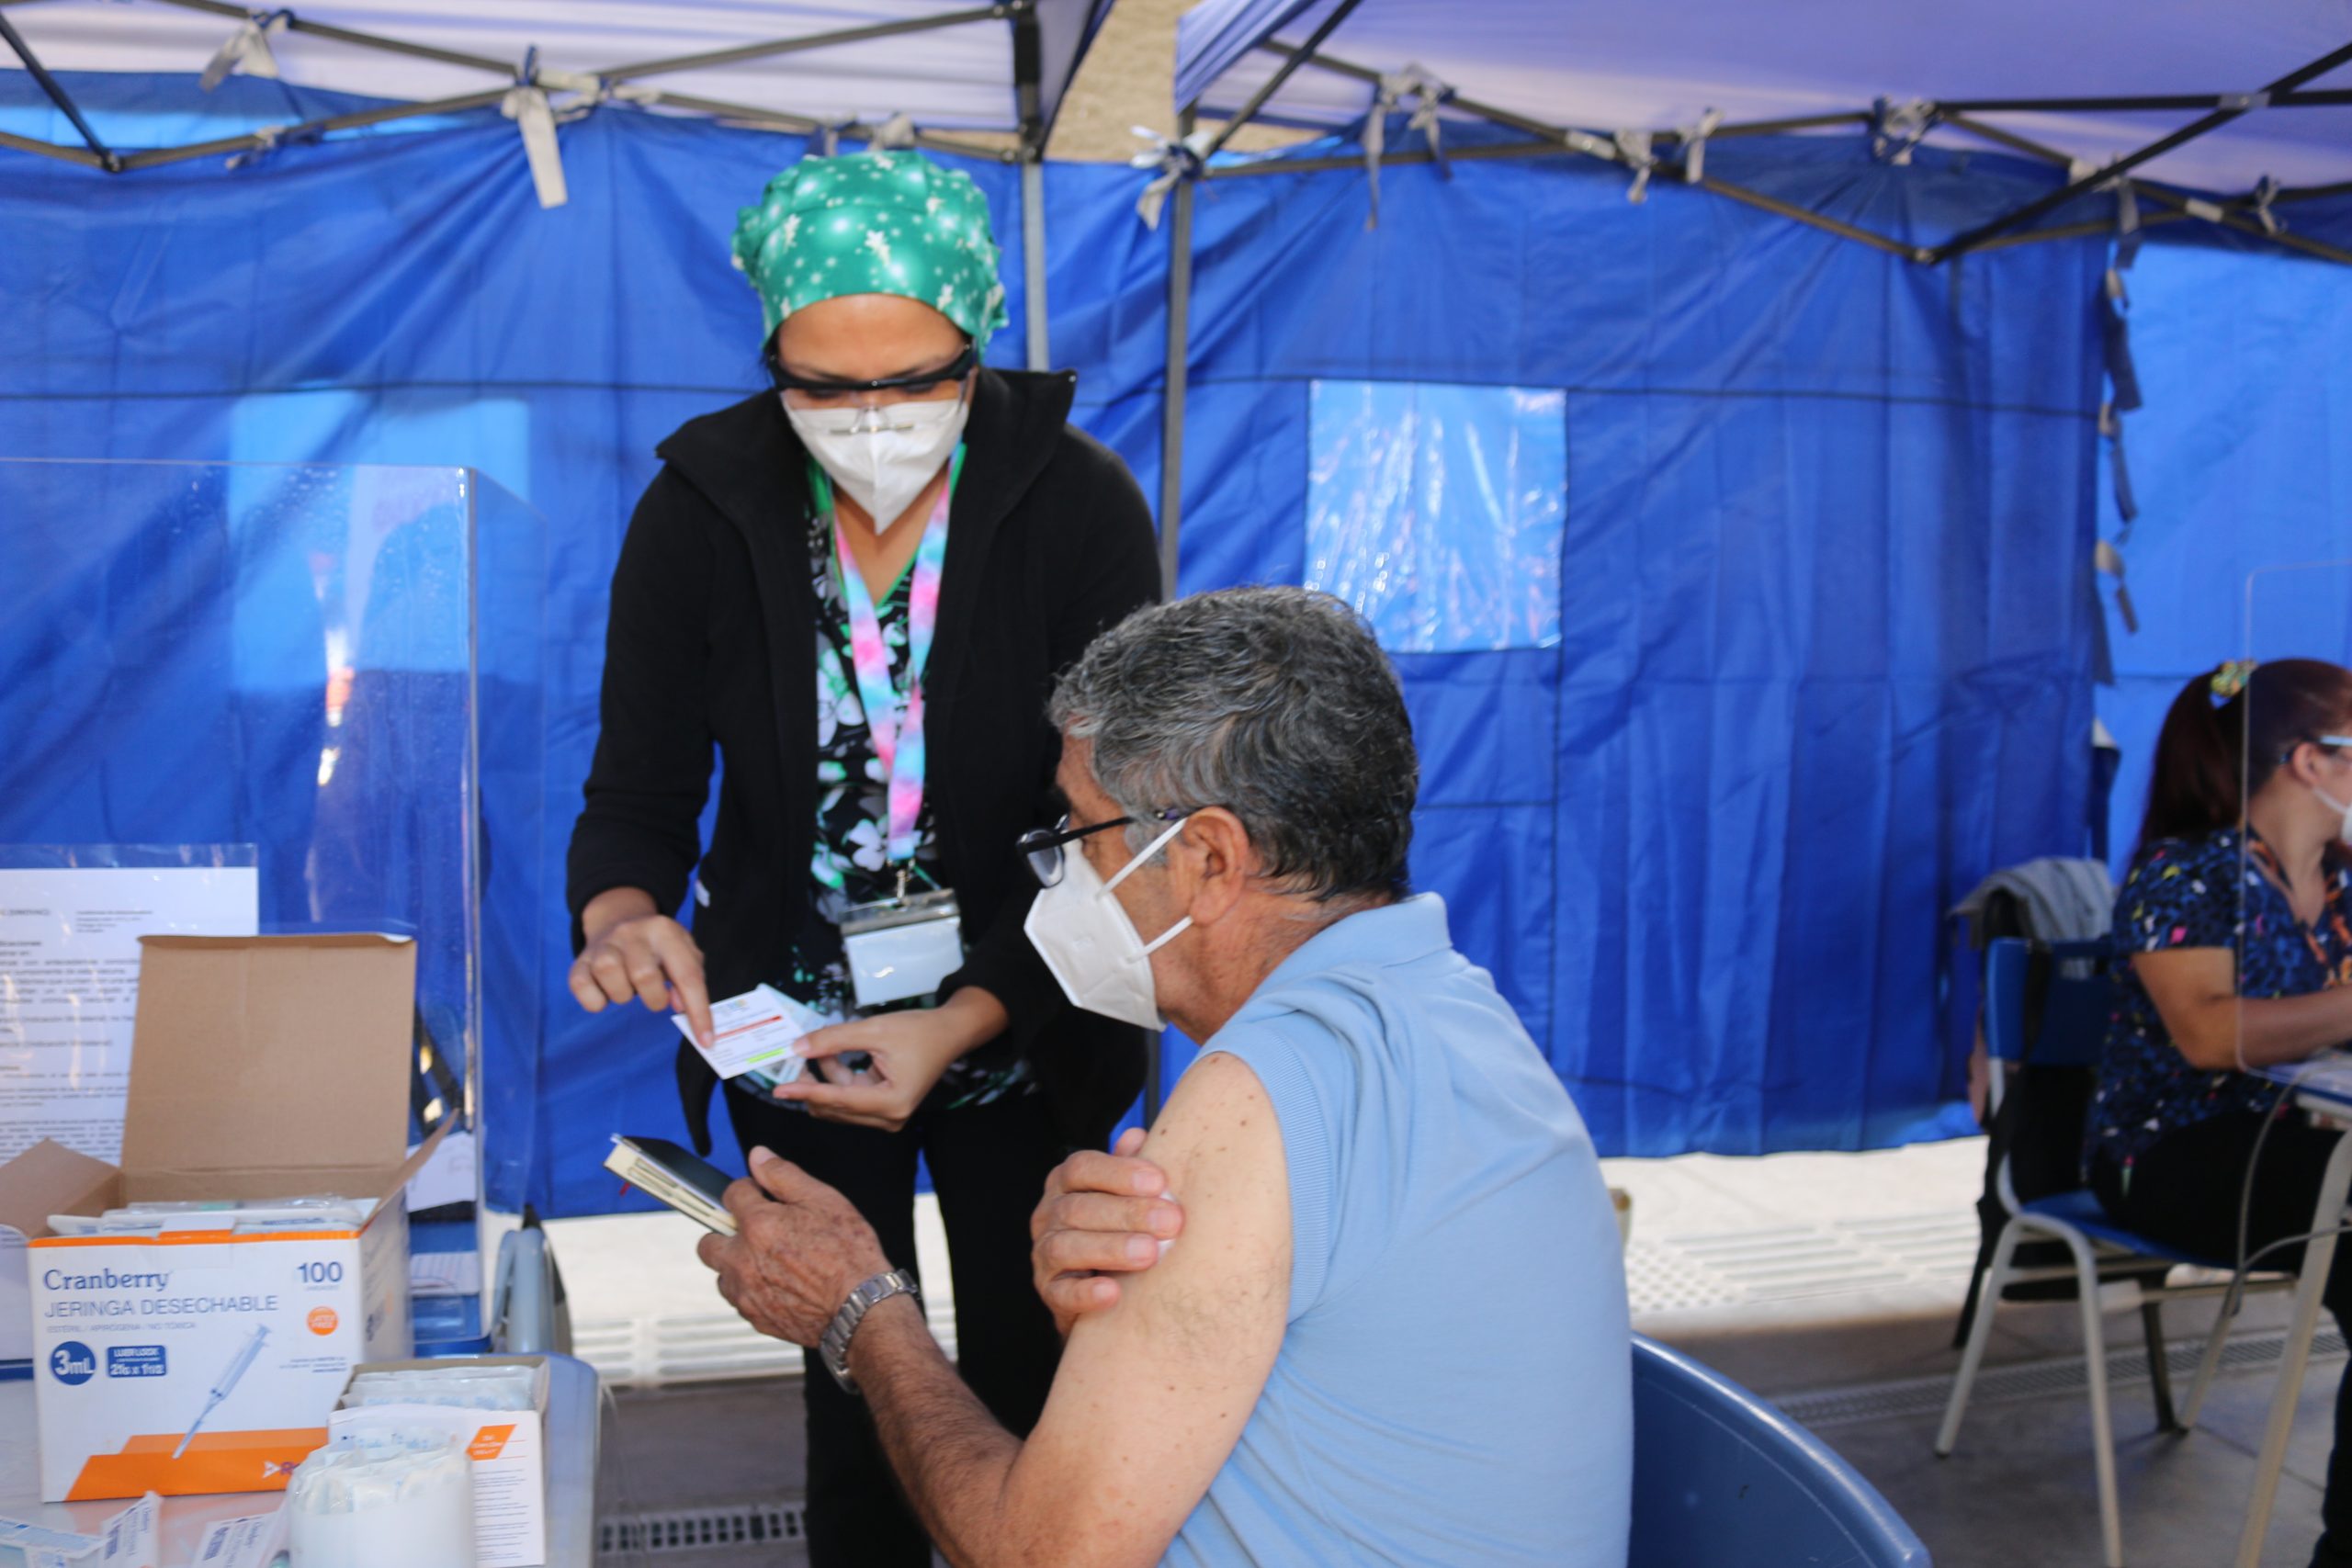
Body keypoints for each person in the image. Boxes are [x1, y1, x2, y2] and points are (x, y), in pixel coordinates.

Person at [696, 586, 1634, 1567]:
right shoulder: (1456, 1012)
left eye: (1077, 831)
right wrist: (1100, 1321)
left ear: (1207, 858)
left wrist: (861, 1312)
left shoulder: (1256, 1095)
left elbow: (1037, 1555)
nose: (1055, 875)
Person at [565, 150, 1159, 1567]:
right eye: (823, 385)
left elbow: (1116, 832)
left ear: (977, 341)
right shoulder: (702, 508)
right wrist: (625, 907)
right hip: (806, 1033)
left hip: (1034, 1015)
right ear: (772, 355)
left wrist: (961, 1021)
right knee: (857, 1388)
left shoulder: (1076, 507)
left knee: (1037, 1384)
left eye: (915, 379)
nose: (872, 418)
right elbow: (637, 784)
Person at [2088, 658, 2352, 1568]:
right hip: (2172, 1155)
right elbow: (2207, 1036)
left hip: (2304, 1140)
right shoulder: (2186, 877)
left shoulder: (2343, 883)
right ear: (2310, 762)